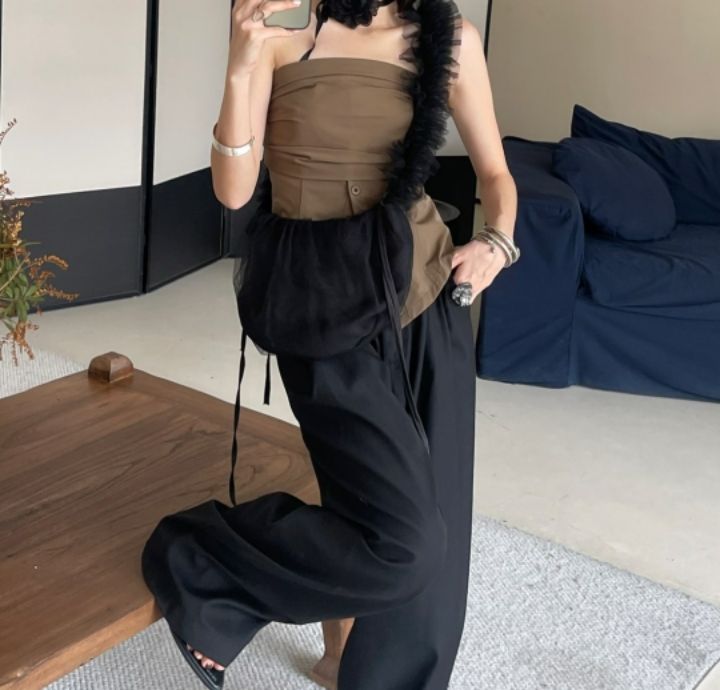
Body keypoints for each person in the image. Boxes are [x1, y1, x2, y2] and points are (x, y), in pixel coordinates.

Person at [141, 0, 518, 688]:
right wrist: (240, 65)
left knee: (436, 525)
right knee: (405, 541)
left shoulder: (449, 39)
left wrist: (497, 241)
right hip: (321, 309)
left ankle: (369, 673)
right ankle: (201, 558)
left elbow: (496, 177)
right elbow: (233, 193)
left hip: (425, 295)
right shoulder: (283, 44)